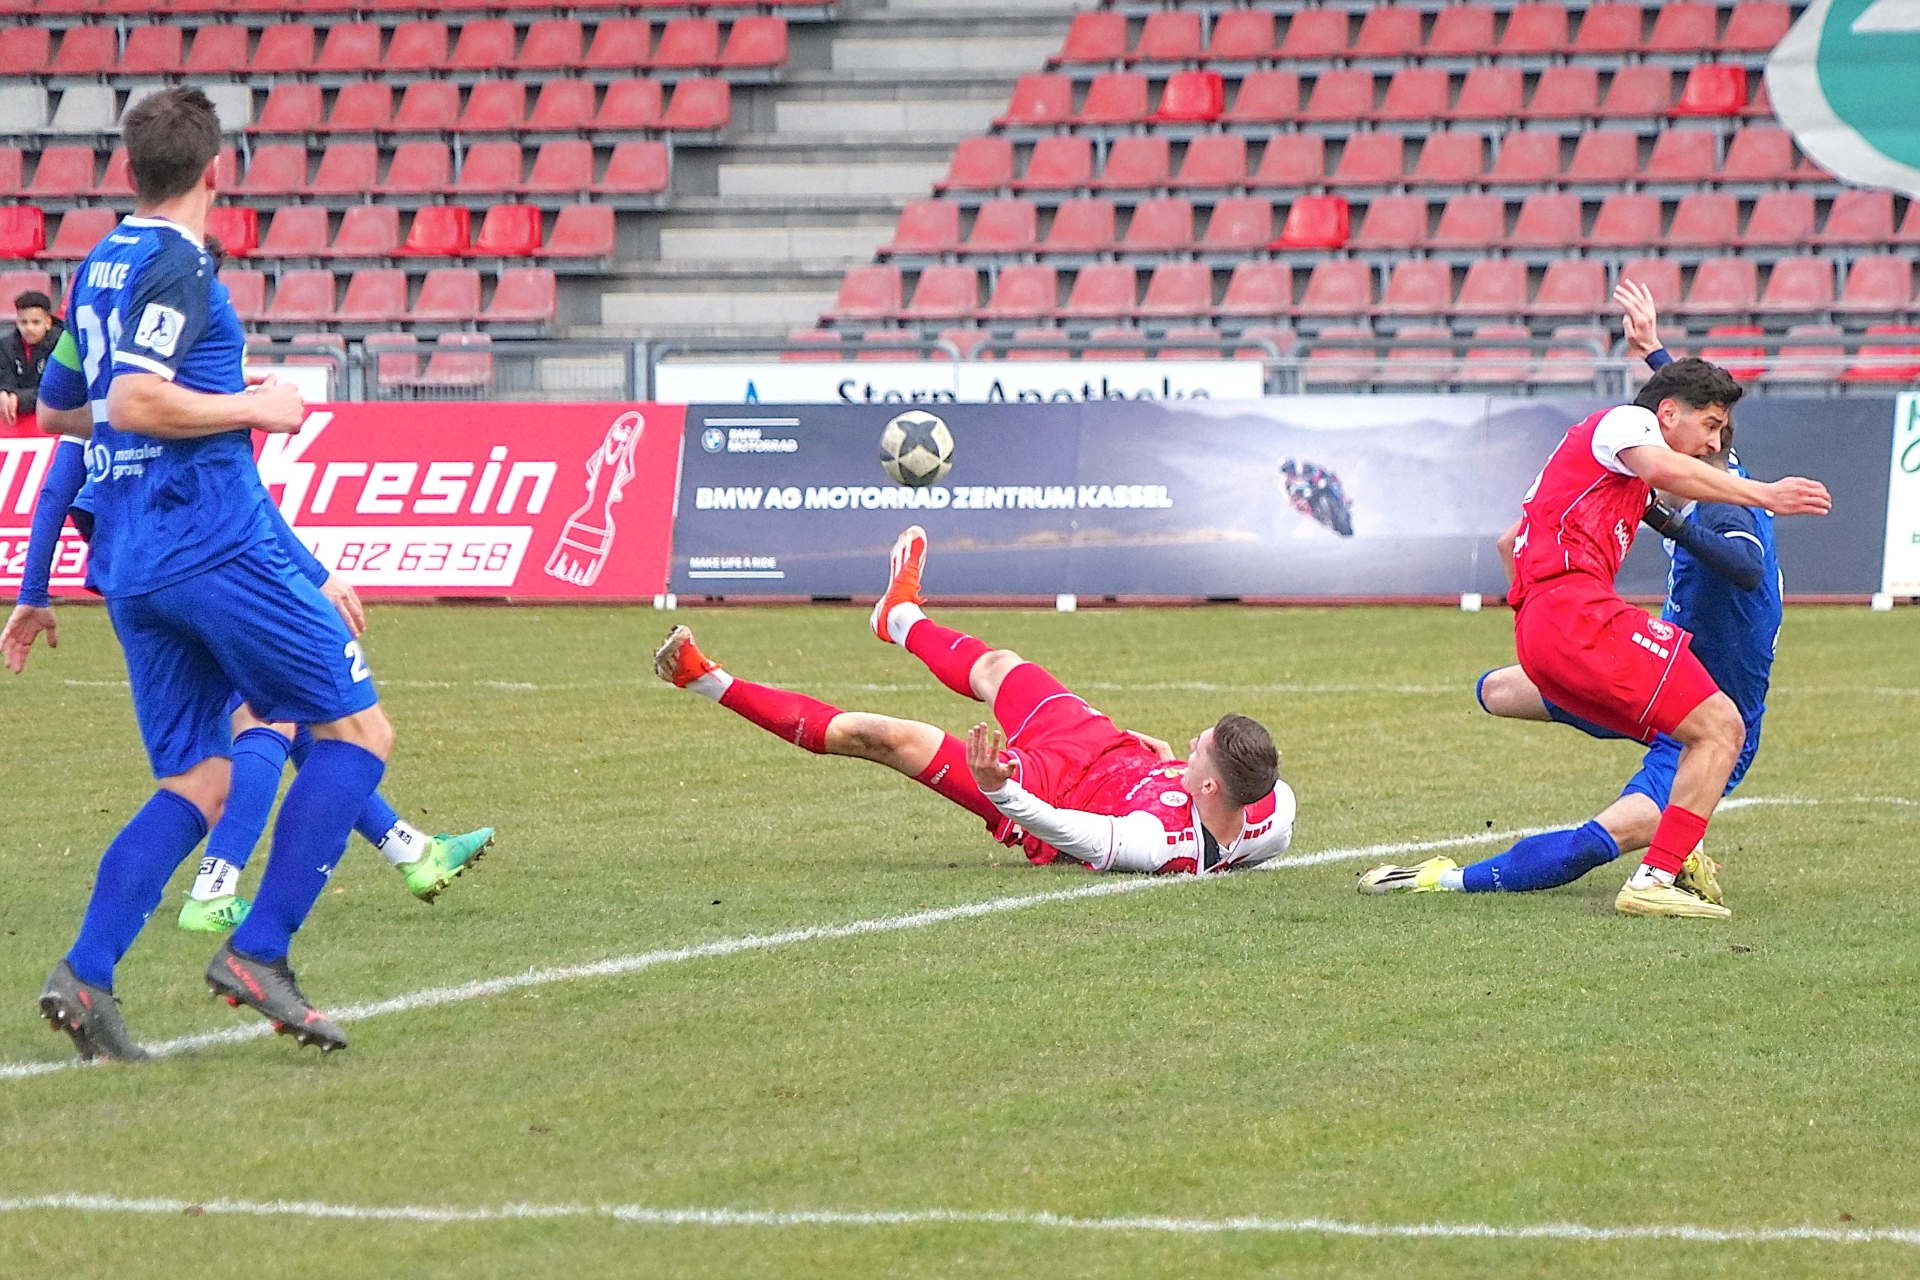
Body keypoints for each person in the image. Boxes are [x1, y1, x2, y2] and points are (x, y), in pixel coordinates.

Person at [8, 88, 393, 1060]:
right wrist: (251, 406)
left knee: (206, 777)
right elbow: (136, 397)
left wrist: (197, 401)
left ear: (129, 171)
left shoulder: (97, 264)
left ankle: (87, 977)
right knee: (357, 728)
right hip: (208, 543)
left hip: (133, 556)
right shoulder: (180, 261)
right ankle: (259, 949)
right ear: (218, 168)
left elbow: (62, 414)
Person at [1374, 297, 1827, 919]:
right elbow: (1692, 482)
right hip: (1599, 627)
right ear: (1670, 421)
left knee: (1501, 692)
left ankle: (1663, 844)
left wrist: (1652, 353)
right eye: (1713, 429)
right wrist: (1758, 497)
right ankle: (1654, 875)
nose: (1718, 442)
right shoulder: (1663, 457)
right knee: (1714, 738)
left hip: (1551, 624)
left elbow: (1513, 540)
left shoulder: (1658, 458)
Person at [2, 404, 495, 932]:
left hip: (134, 578)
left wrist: (34, 591)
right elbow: (242, 502)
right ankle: (216, 886)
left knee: (291, 718)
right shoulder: (173, 379)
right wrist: (315, 574)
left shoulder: (106, 378)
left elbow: (59, 481)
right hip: (201, 565)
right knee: (272, 719)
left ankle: (411, 851)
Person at [654, 525, 1296, 875]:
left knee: (888, 738)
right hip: (1101, 745)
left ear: (1210, 790)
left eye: (1199, 750)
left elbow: (1065, 831)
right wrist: (1164, 765)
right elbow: (1240, 799)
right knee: (999, 665)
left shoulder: (1152, 845)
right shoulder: (1274, 811)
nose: (1190, 742)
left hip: (1045, 790)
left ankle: (702, 677)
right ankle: (899, 616)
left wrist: (1000, 789)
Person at [0, 289, 62, 428]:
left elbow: (56, 390)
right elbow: (5, 379)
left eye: (35, 322)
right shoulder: (5, 345)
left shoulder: (62, 345)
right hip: (16, 422)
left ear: (48, 322)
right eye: (24, 322)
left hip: (52, 420)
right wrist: (3, 393)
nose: (29, 328)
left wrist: (19, 399)